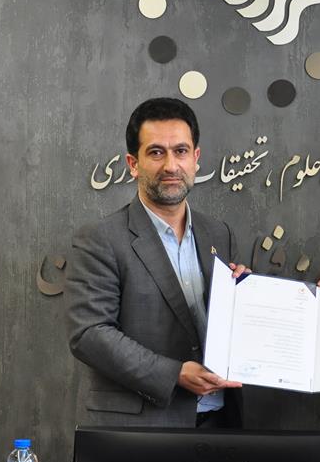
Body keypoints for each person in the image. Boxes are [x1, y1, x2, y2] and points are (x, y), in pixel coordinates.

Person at [67, 97, 245, 428]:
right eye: (156, 152)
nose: (171, 166)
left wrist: (244, 296)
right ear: (133, 163)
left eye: (180, 151)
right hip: (142, 428)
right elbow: (90, 334)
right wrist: (174, 373)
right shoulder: (100, 238)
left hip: (221, 422)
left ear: (196, 159)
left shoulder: (219, 234)